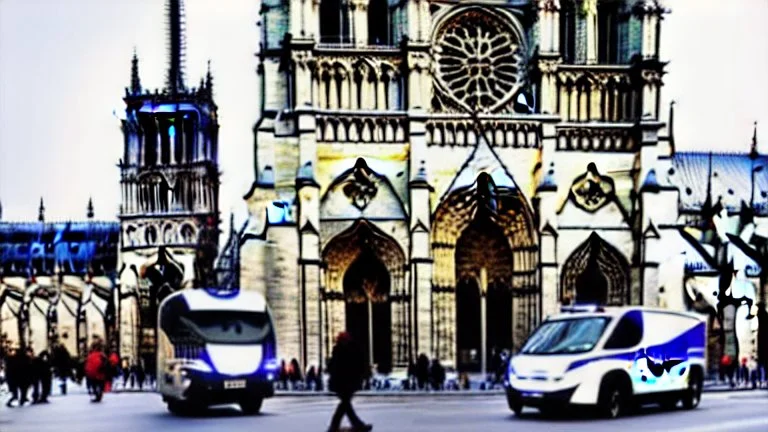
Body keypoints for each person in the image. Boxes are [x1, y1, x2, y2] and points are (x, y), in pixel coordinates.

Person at [327, 332, 372, 432]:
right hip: (343, 383)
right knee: (345, 405)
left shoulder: (342, 350)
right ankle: (356, 425)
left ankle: (336, 426)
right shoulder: (343, 351)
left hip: (344, 383)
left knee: (345, 405)